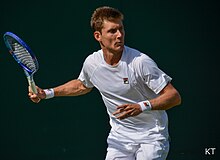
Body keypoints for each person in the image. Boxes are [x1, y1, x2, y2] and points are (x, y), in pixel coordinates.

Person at [29, 6, 181, 160]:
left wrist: (141, 106)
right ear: (98, 36)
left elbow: (174, 96)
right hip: (120, 138)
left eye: (121, 29)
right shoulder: (92, 63)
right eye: (112, 31)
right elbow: (82, 85)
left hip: (152, 136)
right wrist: (47, 93)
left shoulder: (140, 62)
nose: (119, 35)